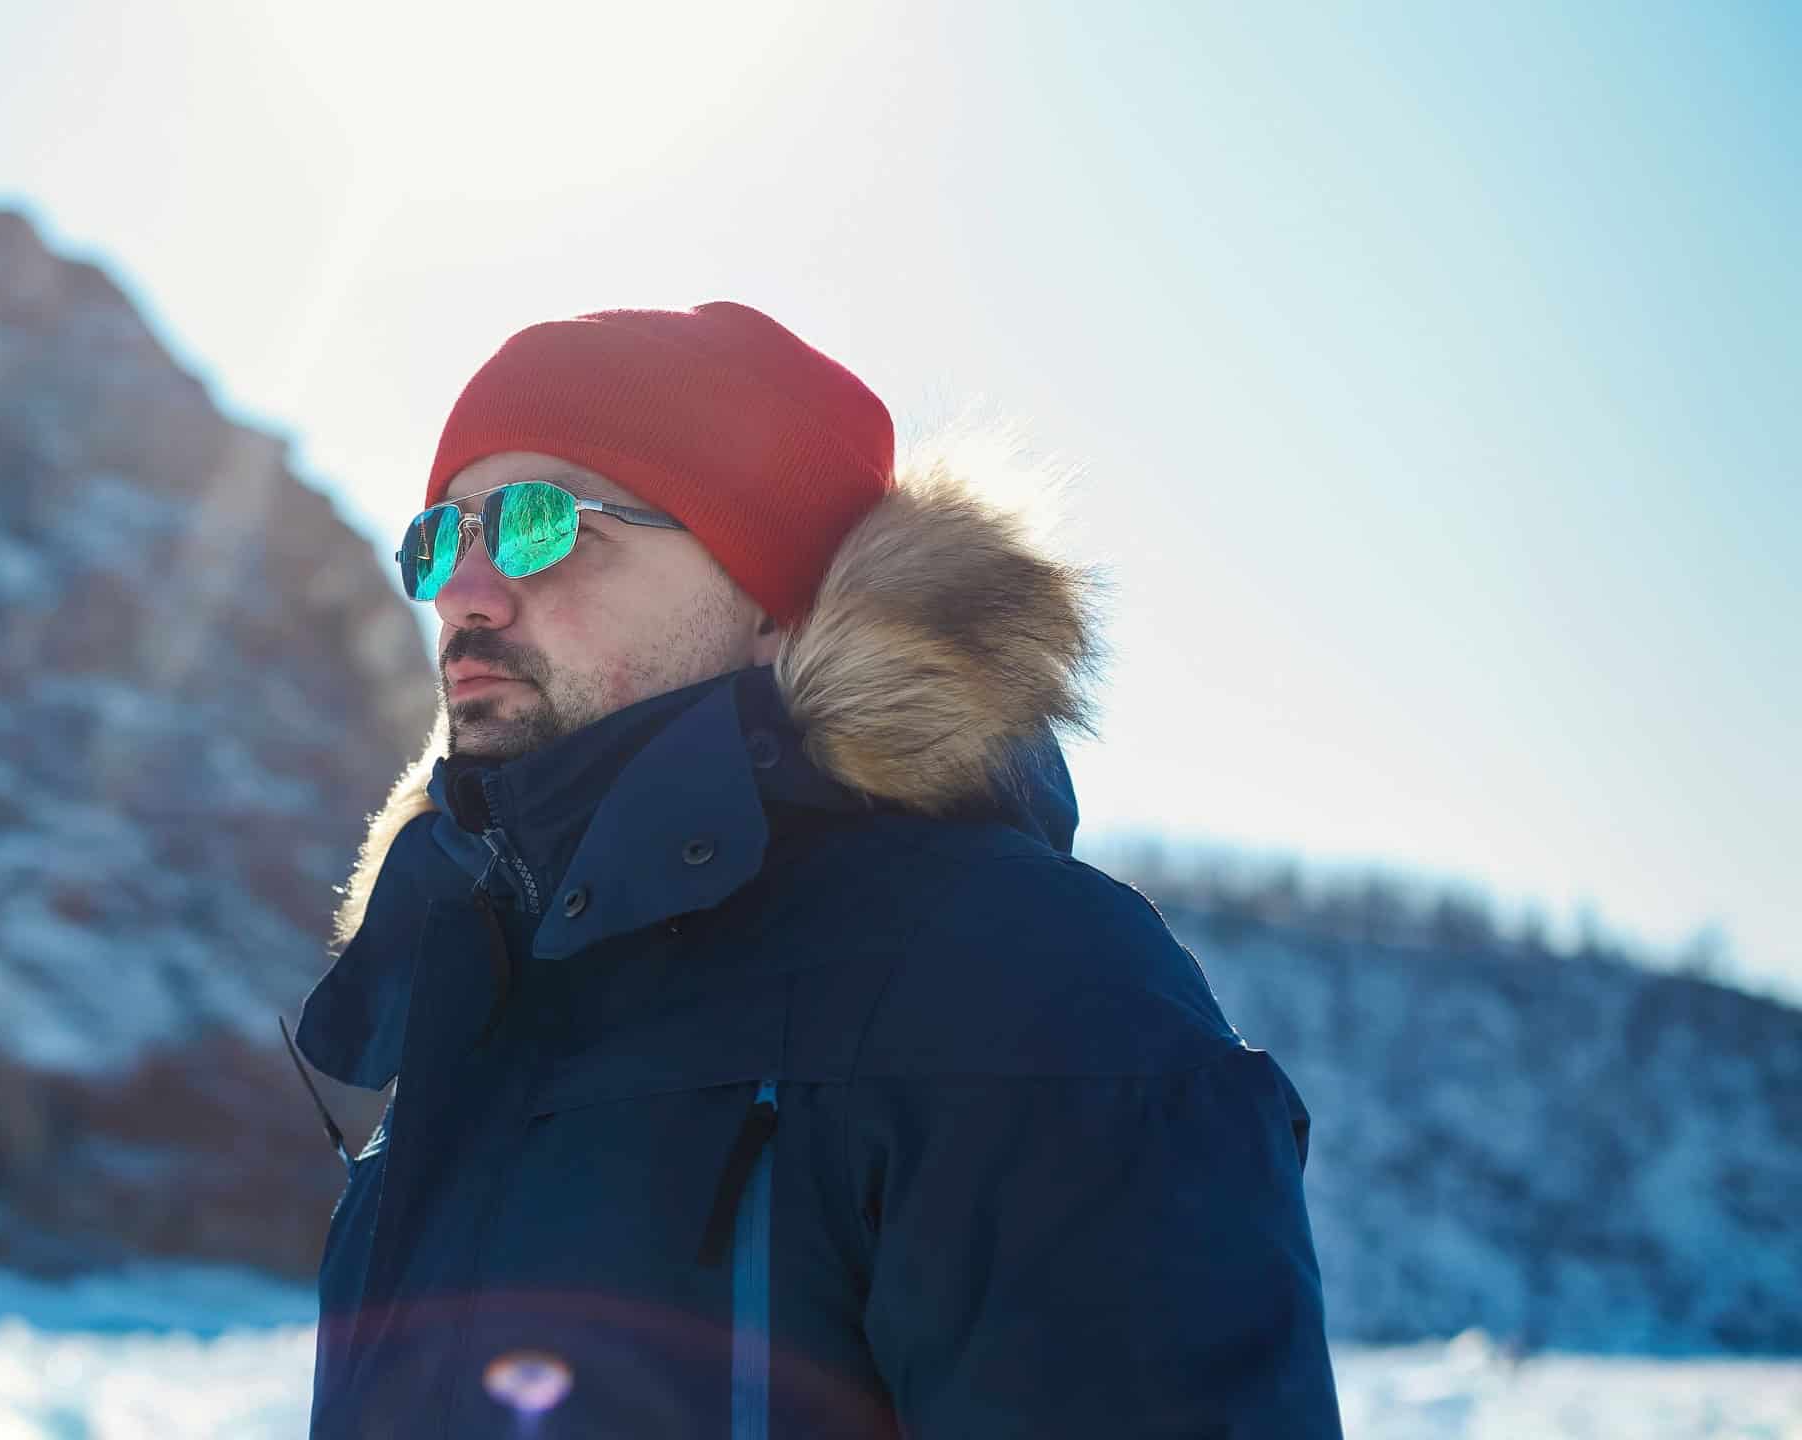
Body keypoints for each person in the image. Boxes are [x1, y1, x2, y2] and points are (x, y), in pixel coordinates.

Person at [285, 301, 1342, 1437]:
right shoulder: (467, 991)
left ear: (773, 602)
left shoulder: (1022, 981)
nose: (466, 591)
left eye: (542, 524)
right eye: (440, 538)